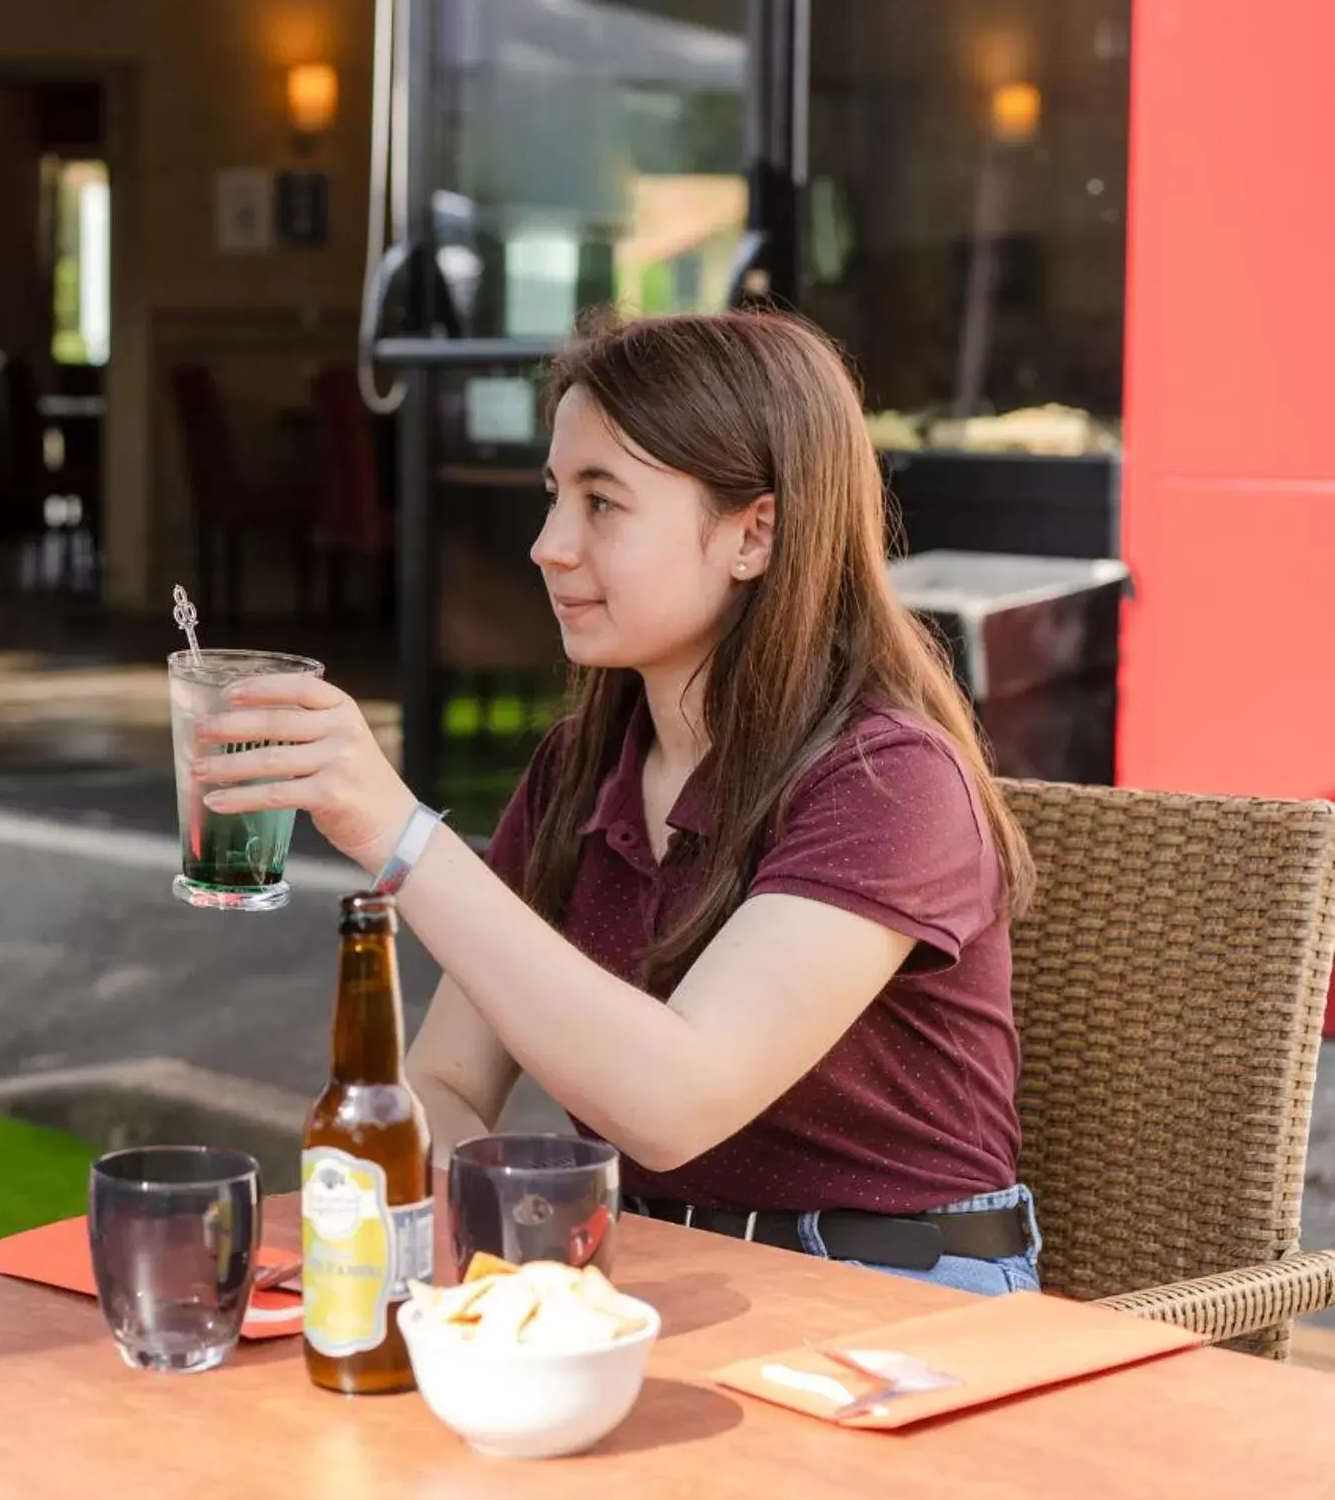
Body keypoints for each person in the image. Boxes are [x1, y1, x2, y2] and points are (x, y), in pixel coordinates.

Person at [196, 310, 1043, 1296]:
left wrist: (399, 836)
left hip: (893, 1296)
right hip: (637, 1268)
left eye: (603, 504)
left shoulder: (887, 780)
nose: (549, 546)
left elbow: (677, 1101)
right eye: (555, 495)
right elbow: (442, 1084)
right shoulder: (580, 770)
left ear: (752, 534)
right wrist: (511, 1255)